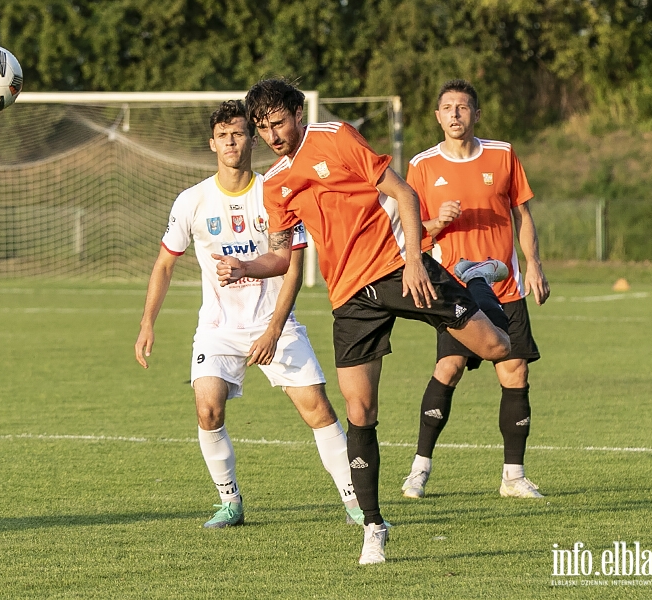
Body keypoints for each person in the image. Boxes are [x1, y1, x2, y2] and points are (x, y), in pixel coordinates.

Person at [214, 79, 511, 565]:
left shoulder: (336, 137)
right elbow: (281, 256)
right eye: (263, 128)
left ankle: (475, 280)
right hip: (350, 297)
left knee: (497, 348)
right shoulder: (274, 185)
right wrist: (247, 267)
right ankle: (374, 525)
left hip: (398, 267)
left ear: (297, 113)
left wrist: (416, 260)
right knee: (359, 408)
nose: (272, 135)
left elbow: (405, 193)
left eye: (278, 123)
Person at [134, 100, 362, 531]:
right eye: (223, 135)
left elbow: (292, 265)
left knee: (317, 409)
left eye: (238, 133)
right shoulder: (193, 201)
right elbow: (164, 264)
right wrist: (148, 322)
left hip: (274, 322)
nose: (231, 142)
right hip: (219, 330)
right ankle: (230, 503)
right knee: (208, 410)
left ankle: (354, 500)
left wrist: (275, 328)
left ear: (251, 139)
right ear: (212, 143)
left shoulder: (277, 190)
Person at [401, 79, 550, 501]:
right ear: (437, 116)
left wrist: (535, 264)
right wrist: (437, 222)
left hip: (505, 286)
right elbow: (413, 234)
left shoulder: (503, 154)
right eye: (447, 107)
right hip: (456, 290)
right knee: (448, 369)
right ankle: (419, 470)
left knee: (515, 372)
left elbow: (523, 215)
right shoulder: (422, 165)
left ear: (476, 114)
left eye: (462, 107)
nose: (454, 114)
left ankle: (513, 477)